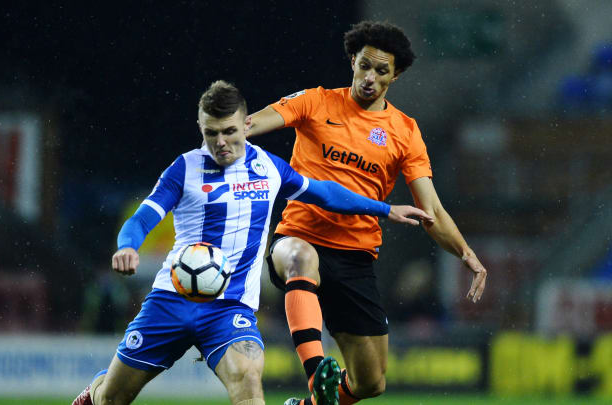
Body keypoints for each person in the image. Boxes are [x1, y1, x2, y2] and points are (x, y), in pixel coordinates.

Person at [71, 80, 433, 405]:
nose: (220, 142)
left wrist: (384, 208)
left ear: (247, 124)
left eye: (229, 131)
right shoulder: (184, 169)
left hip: (230, 309)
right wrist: (127, 244)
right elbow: (142, 218)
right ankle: (97, 390)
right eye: (211, 133)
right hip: (171, 300)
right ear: (200, 127)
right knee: (112, 399)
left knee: (247, 383)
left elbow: (324, 193)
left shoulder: (269, 167)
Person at [248, 21, 489, 405]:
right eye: (364, 66)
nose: (369, 78)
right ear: (352, 62)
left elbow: (432, 211)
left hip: (356, 256)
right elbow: (254, 122)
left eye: (381, 71)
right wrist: (227, 134)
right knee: (301, 258)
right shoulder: (316, 101)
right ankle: (316, 374)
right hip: (299, 234)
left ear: (396, 75)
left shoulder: (405, 132)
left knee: (371, 382)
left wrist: (466, 253)